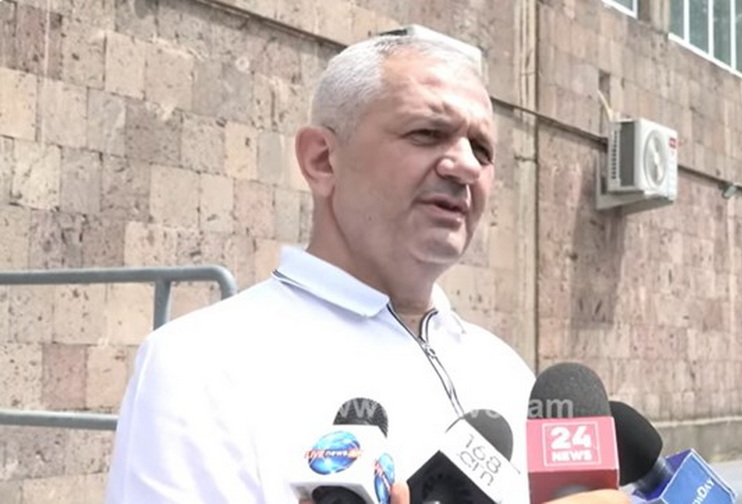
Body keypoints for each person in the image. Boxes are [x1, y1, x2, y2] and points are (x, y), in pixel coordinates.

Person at [103, 34, 629, 504]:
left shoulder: (504, 371)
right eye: (427, 132)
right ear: (322, 160)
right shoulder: (199, 366)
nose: (466, 166)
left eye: (482, 149)